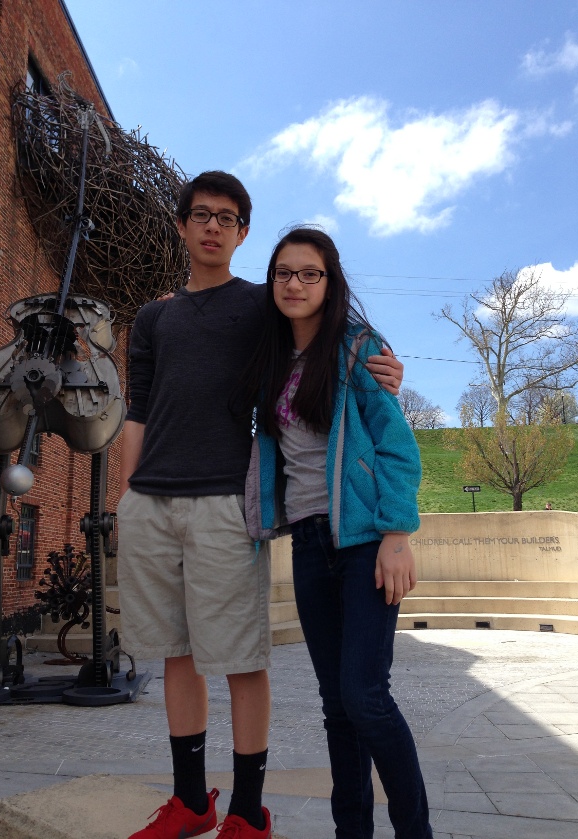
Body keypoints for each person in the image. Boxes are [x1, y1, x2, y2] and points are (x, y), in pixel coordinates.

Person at [117, 172, 406, 839]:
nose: (212, 226)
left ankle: (247, 811)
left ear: (242, 232)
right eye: (200, 214)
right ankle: (191, 801)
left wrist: (385, 368)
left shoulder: (261, 303)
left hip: (226, 500)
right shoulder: (154, 317)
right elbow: (138, 406)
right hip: (152, 502)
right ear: (182, 225)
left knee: (241, 659)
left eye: (227, 217)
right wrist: (128, 495)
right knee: (175, 654)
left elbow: (328, 330)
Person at [242, 227, 433, 839]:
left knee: (365, 696)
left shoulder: (357, 349)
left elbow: (397, 447)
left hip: (363, 543)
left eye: (310, 273)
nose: (295, 284)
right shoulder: (270, 358)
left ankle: (416, 832)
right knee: (336, 705)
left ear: (330, 282)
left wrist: (397, 535)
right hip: (306, 542)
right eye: (283, 273)